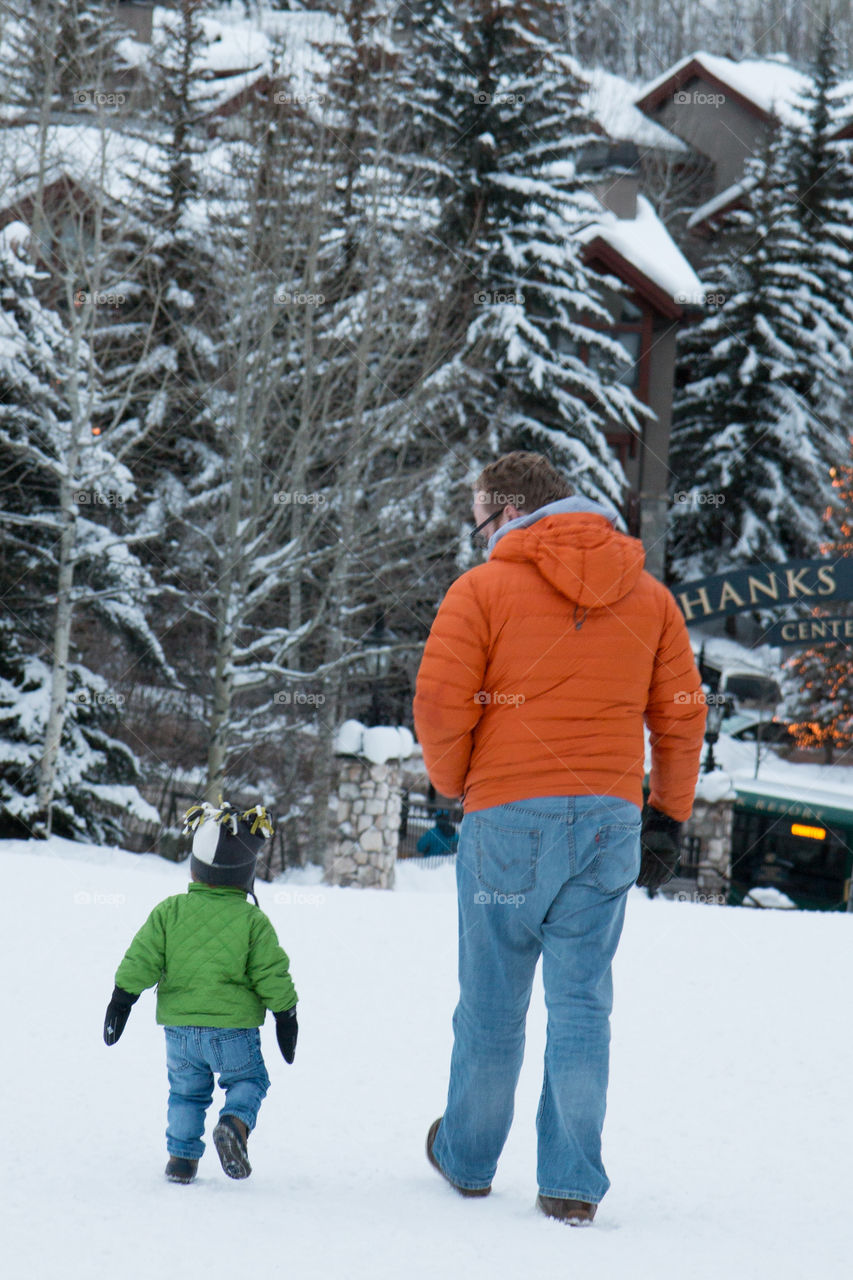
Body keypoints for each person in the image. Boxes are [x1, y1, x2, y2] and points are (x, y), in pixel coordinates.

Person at [413, 451, 706, 1225]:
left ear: (510, 512)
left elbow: (442, 704)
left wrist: (456, 784)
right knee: (581, 1006)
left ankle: (468, 1159)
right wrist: (667, 816)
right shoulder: (651, 600)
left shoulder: (479, 591)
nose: (476, 535)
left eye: (478, 517)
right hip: (607, 822)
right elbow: (680, 715)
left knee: (490, 1002)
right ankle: (571, 1183)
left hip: (506, 819)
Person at [103, 800, 299, 1185]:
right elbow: (270, 974)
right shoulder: (251, 920)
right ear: (246, 875)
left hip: (179, 1032)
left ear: (195, 868)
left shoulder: (170, 911)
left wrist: (121, 998)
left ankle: (180, 1160)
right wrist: (286, 1014)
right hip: (233, 1031)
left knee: (186, 1094)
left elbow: (141, 958)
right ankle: (234, 1124)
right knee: (249, 1081)